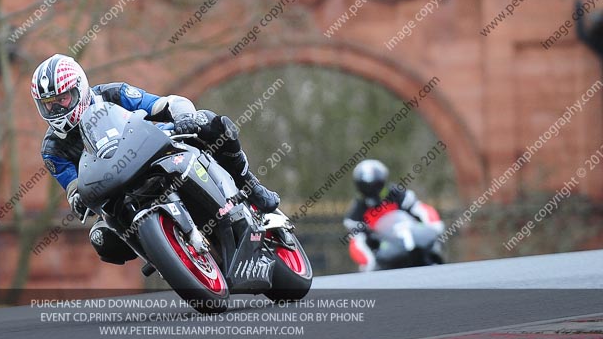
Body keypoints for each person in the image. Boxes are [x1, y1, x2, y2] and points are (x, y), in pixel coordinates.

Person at [31, 53, 280, 264]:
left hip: (153, 152)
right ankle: (164, 256)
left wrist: (182, 117)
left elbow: (164, 104)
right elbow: (73, 187)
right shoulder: (52, 149)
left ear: (80, 89)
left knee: (213, 124)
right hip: (116, 190)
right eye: (49, 105)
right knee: (101, 240)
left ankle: (251, 185)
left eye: (63, 99)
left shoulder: (114, 93)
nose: (58, 109)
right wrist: (78, 200)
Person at [342, 159, 443, 272]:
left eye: (376, 185)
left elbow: (421, 209)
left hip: (413, 243)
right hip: (384, 256)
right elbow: (357, 242)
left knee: (433, 252)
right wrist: (370, 261)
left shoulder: (397, 194)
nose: (372, 191)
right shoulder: (356, 212)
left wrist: (434, 227)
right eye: (367, 187)